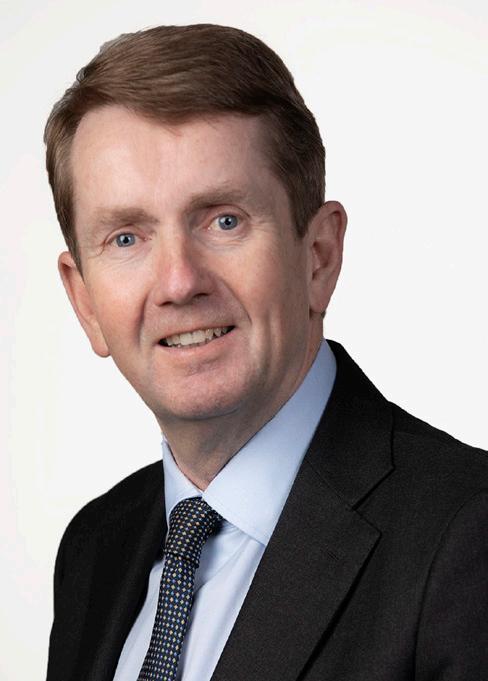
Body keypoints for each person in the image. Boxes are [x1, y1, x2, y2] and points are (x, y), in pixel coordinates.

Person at [44, 23, 488, 681]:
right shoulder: (93, 550)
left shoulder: (468, 536)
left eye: (224, 220)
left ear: (319, 257)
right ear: (85, 302)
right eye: (127, 238)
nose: (178, 282)